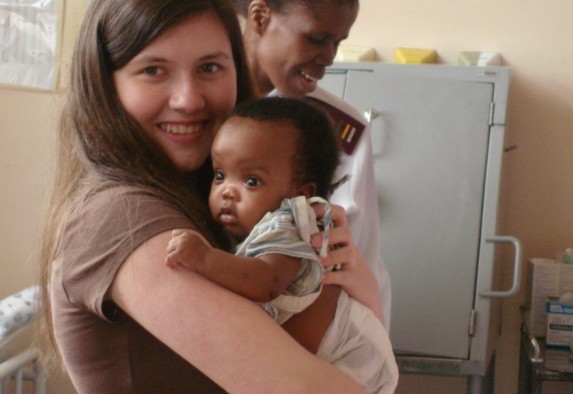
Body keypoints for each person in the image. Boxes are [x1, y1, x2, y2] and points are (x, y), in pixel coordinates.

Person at [39, 0, 378, 392]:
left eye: (209, 68)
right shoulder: (123, 217)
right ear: (105, 83)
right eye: (153, 70)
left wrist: (349, 279)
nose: (188, 99)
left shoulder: (210, 198)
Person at [166, 96, 398, 393]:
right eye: (220, 175)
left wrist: (204, 258)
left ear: (299, 195)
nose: (227, 192)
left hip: (353, 363)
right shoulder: (256, 227)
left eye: (251, 182)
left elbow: (268, 280)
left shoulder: (289, 225)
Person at [233, 0, 393, 329]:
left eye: (338, 43)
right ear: (261, 17)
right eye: (317, 39)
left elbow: (359, 260)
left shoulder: (335, 131)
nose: (329, 58)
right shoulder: (197, 113)